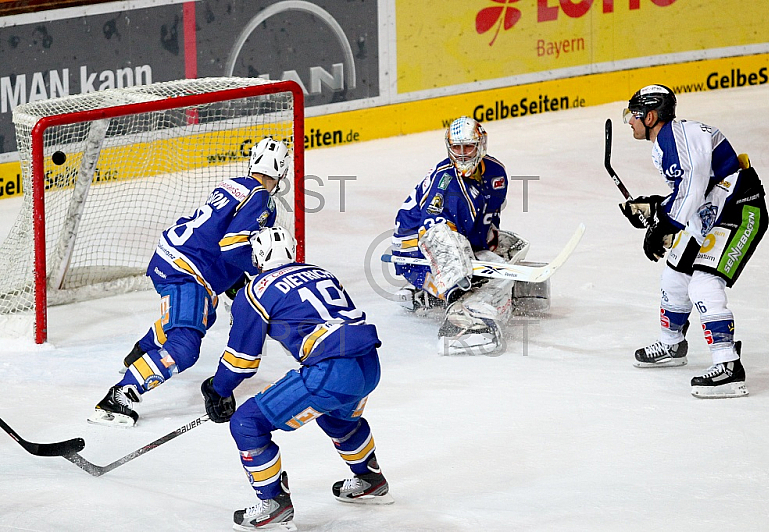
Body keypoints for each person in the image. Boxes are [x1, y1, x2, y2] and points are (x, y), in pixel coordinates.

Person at [89, 137, 292, 427]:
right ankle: (117, 398)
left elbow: (215, 233)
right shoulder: (261, 199)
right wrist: (260, 275)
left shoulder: (233, 184)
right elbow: (233, 245)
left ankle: (142, 354)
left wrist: (234, 281)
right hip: (187, 270)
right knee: (184, 347)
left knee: (203, 313)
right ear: (282, 171)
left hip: (171, 255)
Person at [200, 225, 392, 531]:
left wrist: (218, 388)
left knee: (247, 423)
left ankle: (274, 504)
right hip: (369, 363)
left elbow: (242, 361)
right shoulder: (320, 272)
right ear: (292, 251)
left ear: (257, 257)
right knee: (337, 419)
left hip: (331, 372)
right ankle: (370, 479)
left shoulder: (255, 291)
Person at [620, 84, 768, 398]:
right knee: (674, 275)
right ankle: (673, 345)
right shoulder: (670, 138)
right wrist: (655, 206)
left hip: (742, 210)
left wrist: (664, 225)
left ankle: (728, 367)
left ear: (650, 116)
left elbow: (693, 187)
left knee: (703, 282)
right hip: (714, 211)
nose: (629, 121)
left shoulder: (675, 138)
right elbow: (693, 190)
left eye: (633, 115)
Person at [391, 116, 528, 356]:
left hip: (461, 237)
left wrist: (490, 250)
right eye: (457, 147)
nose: (463, 154)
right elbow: (432, 231)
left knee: (509, 249)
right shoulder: (446, 184)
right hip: (414, 250)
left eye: (468, 146)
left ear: (481, 144)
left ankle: (482, 302)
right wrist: (459, 284)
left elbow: (489, 216)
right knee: (445, 237)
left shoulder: (496, 172)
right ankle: (458, 317)